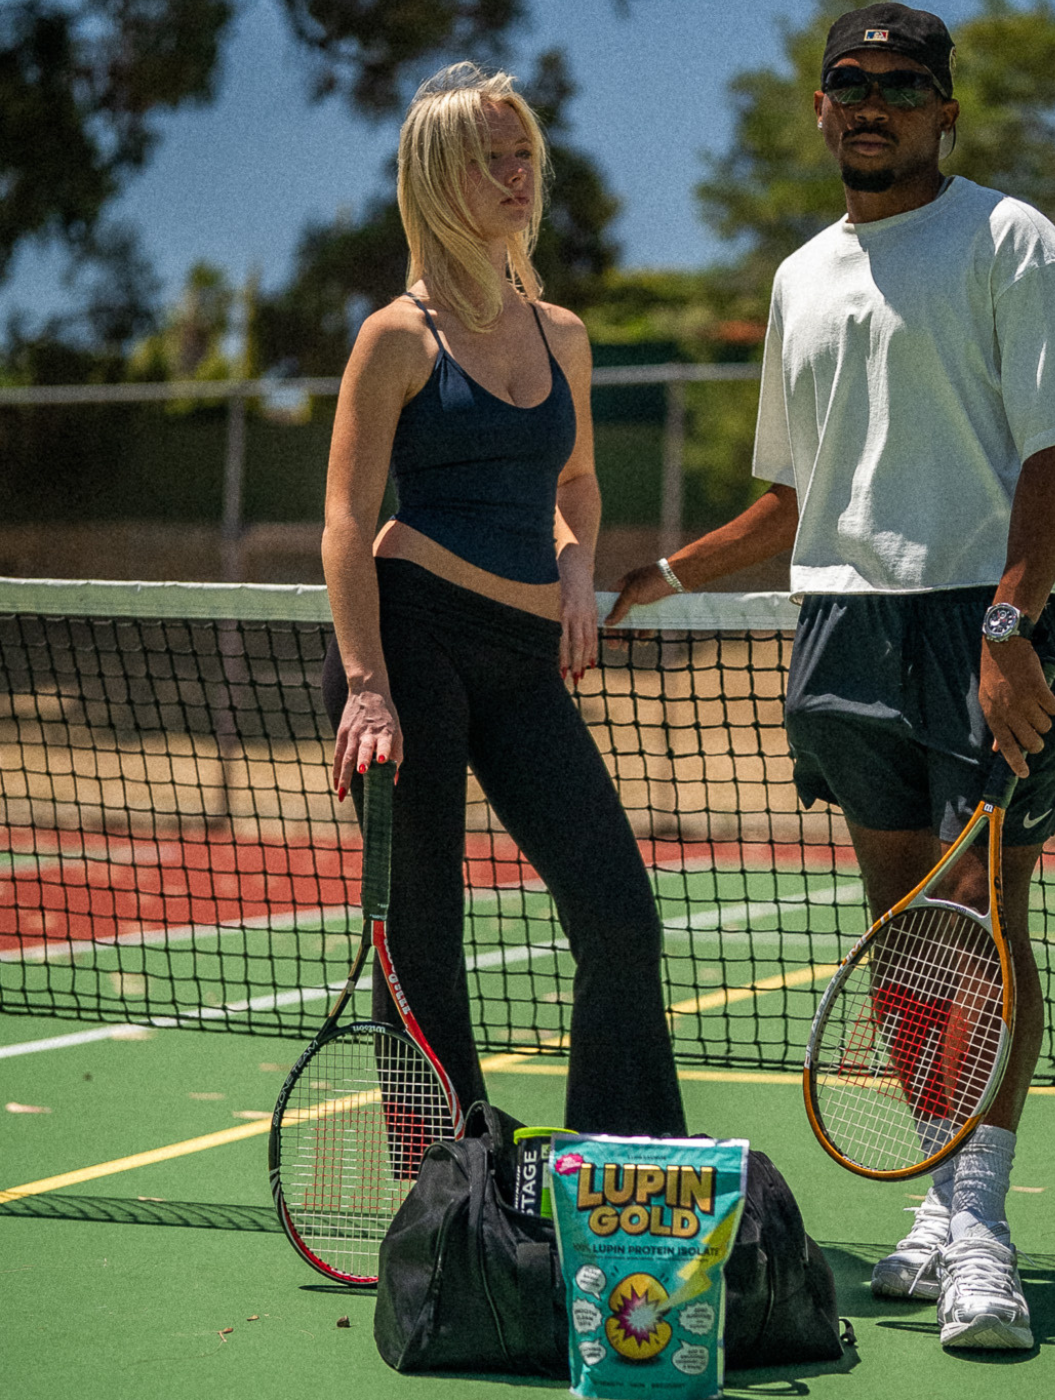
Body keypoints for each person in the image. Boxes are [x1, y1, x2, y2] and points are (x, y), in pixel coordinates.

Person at [608, 3, 1055, 1350]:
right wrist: (659, 575)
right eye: (851, 82)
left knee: (982, 918)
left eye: (902, 85)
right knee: (902, 930)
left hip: (983, 621)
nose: (873, 103)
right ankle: (937, 1198)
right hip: (842, 626)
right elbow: (797, 496)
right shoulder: (799, 277)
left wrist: (1011, 624)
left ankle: (982, 1229)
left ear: (943, 110)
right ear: (822, 107)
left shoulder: (1009, 238)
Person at [321, 61, 686, 1141]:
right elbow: (344, 522)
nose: (517, 174)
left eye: (524, 153)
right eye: (490, 158)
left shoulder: (560, 331)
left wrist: (577, 564)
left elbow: (576, 482)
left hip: (524, 658)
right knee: (424, 933)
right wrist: (366, 686)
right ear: (439, 177)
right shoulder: (395, 338)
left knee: (619, 915)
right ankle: (444, 1178)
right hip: (410, 641)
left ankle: (623, 1166)